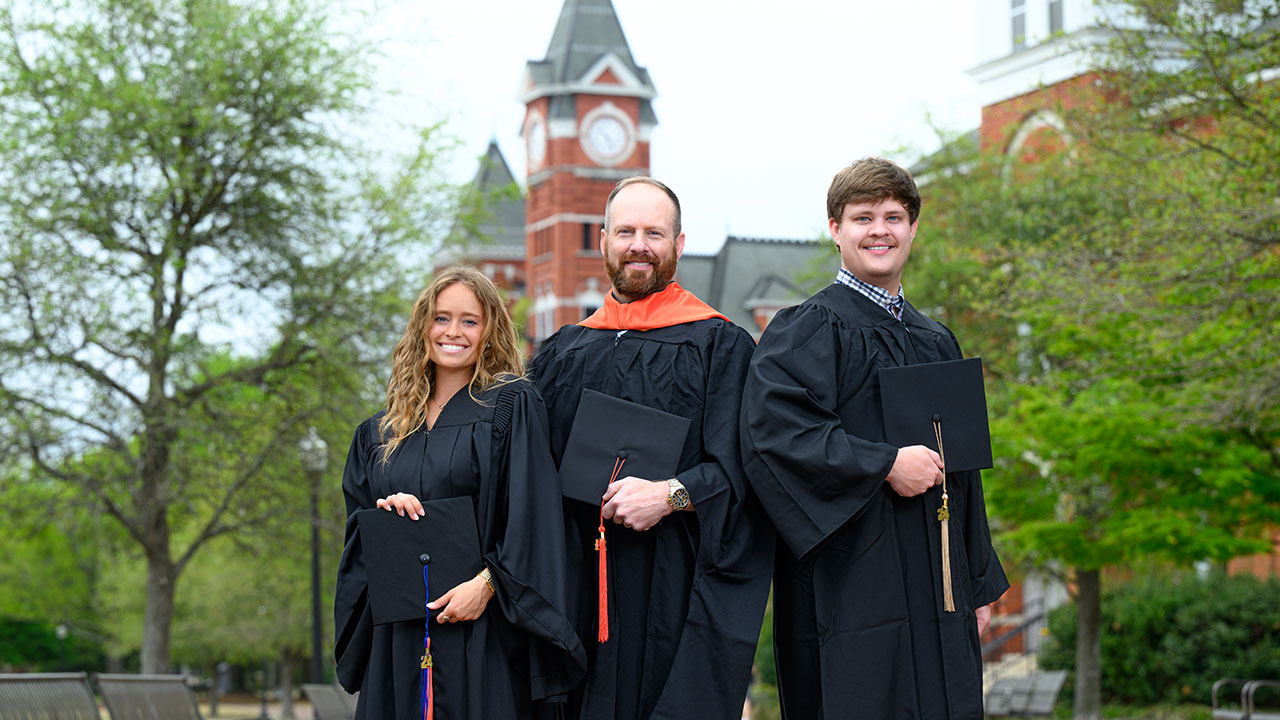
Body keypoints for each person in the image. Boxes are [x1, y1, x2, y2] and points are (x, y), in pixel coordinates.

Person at [741, 158, 1009, 719]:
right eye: (863, 217)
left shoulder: (936, 339)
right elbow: (774, 438)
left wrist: (977, 577)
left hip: (939, 586)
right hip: (849, 584)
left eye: (894, 216)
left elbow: (963, 472)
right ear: (836, 230)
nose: (880, 230)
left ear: (914, 227)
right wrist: (885, 463)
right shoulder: (806, 330)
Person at [528, 177, 773, 720]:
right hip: (575, 588)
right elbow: (520, 467)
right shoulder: (563, 353)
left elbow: (747, 468)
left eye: (654, 233)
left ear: (678, 246)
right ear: (604, 240)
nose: (639, 244)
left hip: (672, 590)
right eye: (627, 232)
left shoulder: (719, 345)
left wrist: (672, 494)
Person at [334, 265, 586, 719]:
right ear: (422, 327)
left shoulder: (511, 405)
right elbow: (358, 540)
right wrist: (385, 514)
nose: (454, 332)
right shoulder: (379, 433)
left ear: (489, 329)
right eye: (441, 318)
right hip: (402, 634)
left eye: (469, 320)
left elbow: (534, 517)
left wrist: (487, 586)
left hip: (484, 630)